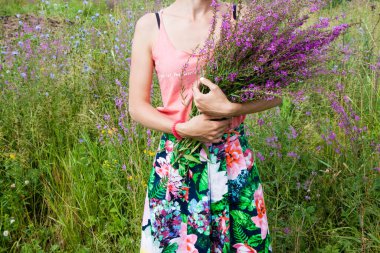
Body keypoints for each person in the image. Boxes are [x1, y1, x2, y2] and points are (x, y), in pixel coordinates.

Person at [128, 0, 282, 252]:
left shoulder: (239, 17)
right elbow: (137, 107)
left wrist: (231, 109)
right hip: (176, 164)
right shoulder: (151, 25)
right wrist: (184, 129)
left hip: (233, 162)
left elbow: (277, 92)